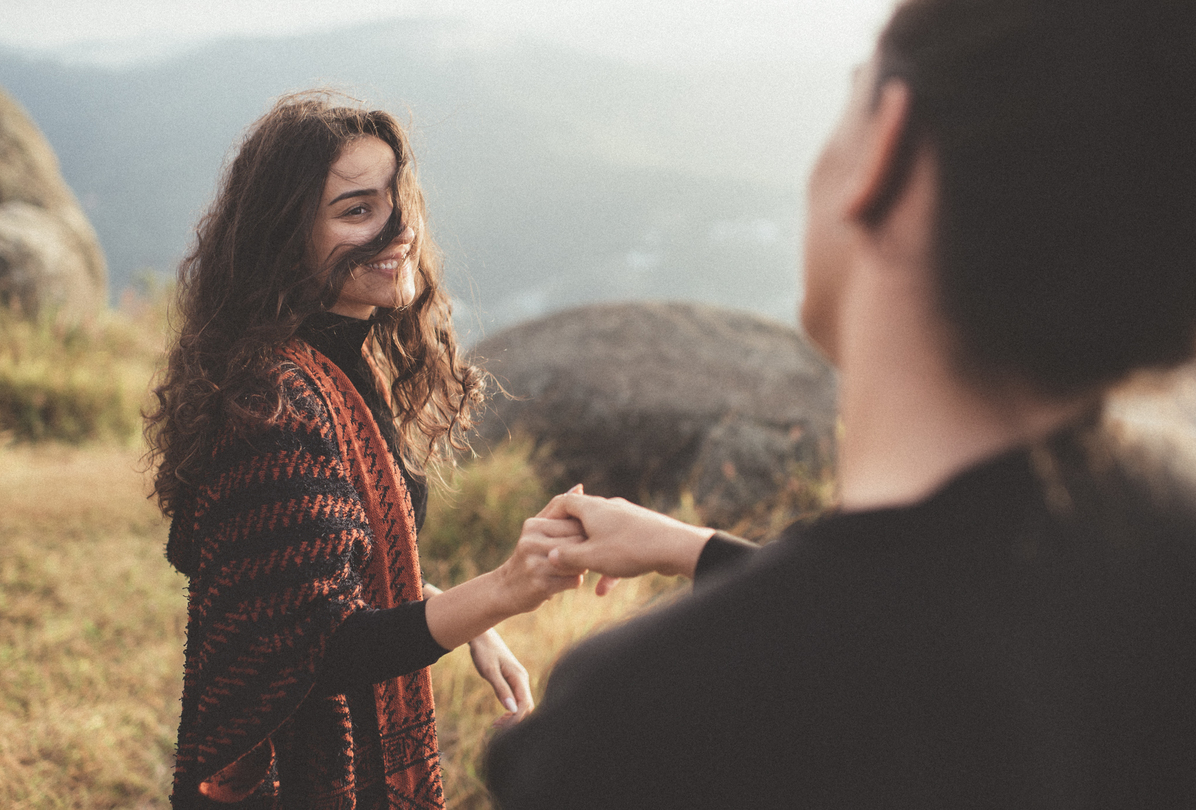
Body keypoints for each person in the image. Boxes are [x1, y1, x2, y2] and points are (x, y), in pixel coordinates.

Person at [485, 0, 1196, 806]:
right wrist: (690, 548)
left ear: (886, 151)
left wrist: (540, 753)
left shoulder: (646, 724)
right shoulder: (1162, 569)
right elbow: (943, 617)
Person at [144, 92, 587, 809]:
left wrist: (461, 615)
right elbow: (324, 645)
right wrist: (506, 589)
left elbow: (320, 577)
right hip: (288, 780)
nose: (402, 230)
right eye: (358, 211)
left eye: (396, 198)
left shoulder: (346, 364)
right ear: (287, 238)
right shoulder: (276, 401)